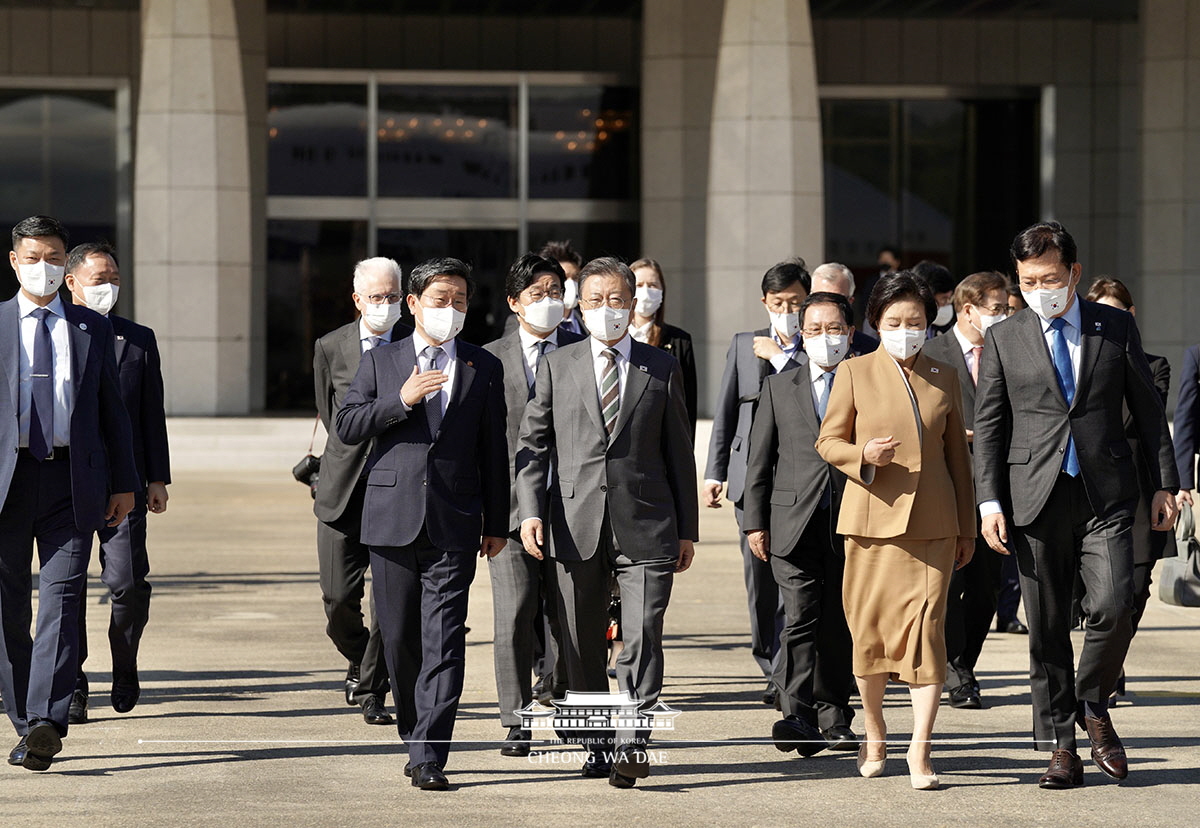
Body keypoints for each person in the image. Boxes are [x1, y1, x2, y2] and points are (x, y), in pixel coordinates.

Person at [974, 221, 1178, 789]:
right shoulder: (1003, 337)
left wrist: (1165, 482)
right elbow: (989, 427)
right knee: (1046, 627)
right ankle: (1061, 745)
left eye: (1051, 278)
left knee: (1114, 604)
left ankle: (1091, 705)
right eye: (1028, 280)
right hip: (1033, 499)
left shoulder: (1112, 327)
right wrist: (989, 501)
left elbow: (1147, 404)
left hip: (1105, 493)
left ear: (1074, 275)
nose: (1041, 289)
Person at [517, 256, 698, 790]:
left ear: (633, 302)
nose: (608, 310)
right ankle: (596, 742)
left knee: (642, 634)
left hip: (647, 523)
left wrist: (686, 528)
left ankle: (632, 742)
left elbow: (679, 452)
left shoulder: (660, 366)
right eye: (595, 300)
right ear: (579, 305)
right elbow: (533, 444)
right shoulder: (559, 364)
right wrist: (529, 509)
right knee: (581, 644)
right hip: (573, 524)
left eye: (618, 299)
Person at [335, 257, 509, 791]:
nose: (451, 309)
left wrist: (496, 521)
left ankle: (431, 751)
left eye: (459, 300)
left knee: (446, 637)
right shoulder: (382, 362)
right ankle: (415, 733)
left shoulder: (483, 366)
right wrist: (401, 400)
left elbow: (492, 450)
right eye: (440, 299)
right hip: (391, 521)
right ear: (412, 304)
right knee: (401, 639)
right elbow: (346, 424)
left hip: (455, 521)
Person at [815, 270, 976, 791]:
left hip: (934, 527)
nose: (906, 329)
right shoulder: (856, 371)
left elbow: (958, 459)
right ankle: (877, 729)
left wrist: (967, 527)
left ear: (931, 323)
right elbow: (827, 441)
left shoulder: (945, 375)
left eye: (916, 321)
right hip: (870, 527)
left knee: (928, 635)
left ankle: (920, 748)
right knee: (869, 637)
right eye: (894, 321)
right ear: (876, 324)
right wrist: (863, 454)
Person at [0, 215, 137, 771]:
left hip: (71, 481)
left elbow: (113, 412)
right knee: (7, 608)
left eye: (54, 257)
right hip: (5, 484)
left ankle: (46, 721)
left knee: (62, 597)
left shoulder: (90, 328)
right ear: (14, 261)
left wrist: (125, 482)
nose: (44, 267)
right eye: (33, 257)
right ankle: (22, 716)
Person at [742, 291, 859, 757]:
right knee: (800, 617)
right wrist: (755, 522)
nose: (824, 339)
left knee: (839, 622)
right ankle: (797, 715)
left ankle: (835, 717)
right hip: (791, 521)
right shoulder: (778, 386)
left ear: (850, 334)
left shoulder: (865, 381)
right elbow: (759, 461)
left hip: (850, 519)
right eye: (814, 330)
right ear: (800, 334)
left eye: (834, 330)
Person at [62, 242, 170, 725]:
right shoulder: (54, 333)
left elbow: (152, 415)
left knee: (126, 583)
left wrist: (158, 478)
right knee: (67, 588)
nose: (109, 287)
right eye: (99, 278)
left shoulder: (138, 340)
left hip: (124, 484)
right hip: (66, 483)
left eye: (115, 279)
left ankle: (124, 667)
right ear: (72, 282)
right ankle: (74, 682)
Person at [482, 253, 584, 757]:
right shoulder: (485, 358)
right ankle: (516, 718)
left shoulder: (584, 350)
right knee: (515, 616)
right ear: (514, 303)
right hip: (506, 511)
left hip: (572, 508)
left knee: (568, 617)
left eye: (555, 291)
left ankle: (566, 707)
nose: (548, 302)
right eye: (537, 294)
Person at [704, 259, 810, 707]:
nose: (787, 310)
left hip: (798, 479)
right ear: (764, 302)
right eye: (779, 302)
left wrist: (782, 357)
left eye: (796, 303)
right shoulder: (744, 344)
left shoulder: (814, 349)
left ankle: (788, 667)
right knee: (759, 578)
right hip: (750, 480)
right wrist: (714, 471)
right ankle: (769, 659)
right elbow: (726, 411)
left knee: (795, 579)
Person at [312, 257, 410, 726]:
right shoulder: (331, 346)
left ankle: (373, 686)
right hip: (342, 488)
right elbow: (333, 417)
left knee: (389, 602)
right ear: (357, 300)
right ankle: (359, 656)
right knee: (337, 601)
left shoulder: (417, 347)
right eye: (376, 297)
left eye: (393, 297)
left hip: (397, 490)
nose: (385, 305)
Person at [922, 270, 1011, 710]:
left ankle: (965, 663)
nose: (1004, 317)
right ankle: (956, 672)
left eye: (1007, 309)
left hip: (997, 487)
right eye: (997, 310)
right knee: (947, 583)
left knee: (985, 588)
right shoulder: (931, 353)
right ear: (968, 309)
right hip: (946, 486)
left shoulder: (1012, 347)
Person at [1083, 277, 1176, 699]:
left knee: (1134, 591)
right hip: (1085, 490)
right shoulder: (1074, 366)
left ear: (1130, 315)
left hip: (1137, 491)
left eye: (1115, 311)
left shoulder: (1153, 365)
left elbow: (1151, 422)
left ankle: (1110, 663)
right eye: (1099, 310)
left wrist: (1171, 486)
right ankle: (1100, 673)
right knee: (1098, 597)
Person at [994, 282, 1030, 635]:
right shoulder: (998, 345)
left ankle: (1008, 612)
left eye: (1012, 309)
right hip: (991, 466)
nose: (1007, 316)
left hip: (1023, 469)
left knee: (1016, 556)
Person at [629, 258, 698, 438]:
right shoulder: (615, 338)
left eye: (652, 285)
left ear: (662, 291)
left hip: (661, 436)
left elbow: (687, 403)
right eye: (639, 284)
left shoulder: (679, 340)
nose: (645, 291)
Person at [810, 262, 878, 356]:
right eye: (820, 299)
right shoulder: (796, 347)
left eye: (836, 300)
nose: (828, 307)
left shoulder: (871, 350)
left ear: (850, 301)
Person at [913, 260, 956, 336]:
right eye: (944, 299)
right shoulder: (909, 331)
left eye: (950, 298)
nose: (947, 304)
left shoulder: (949, 331)